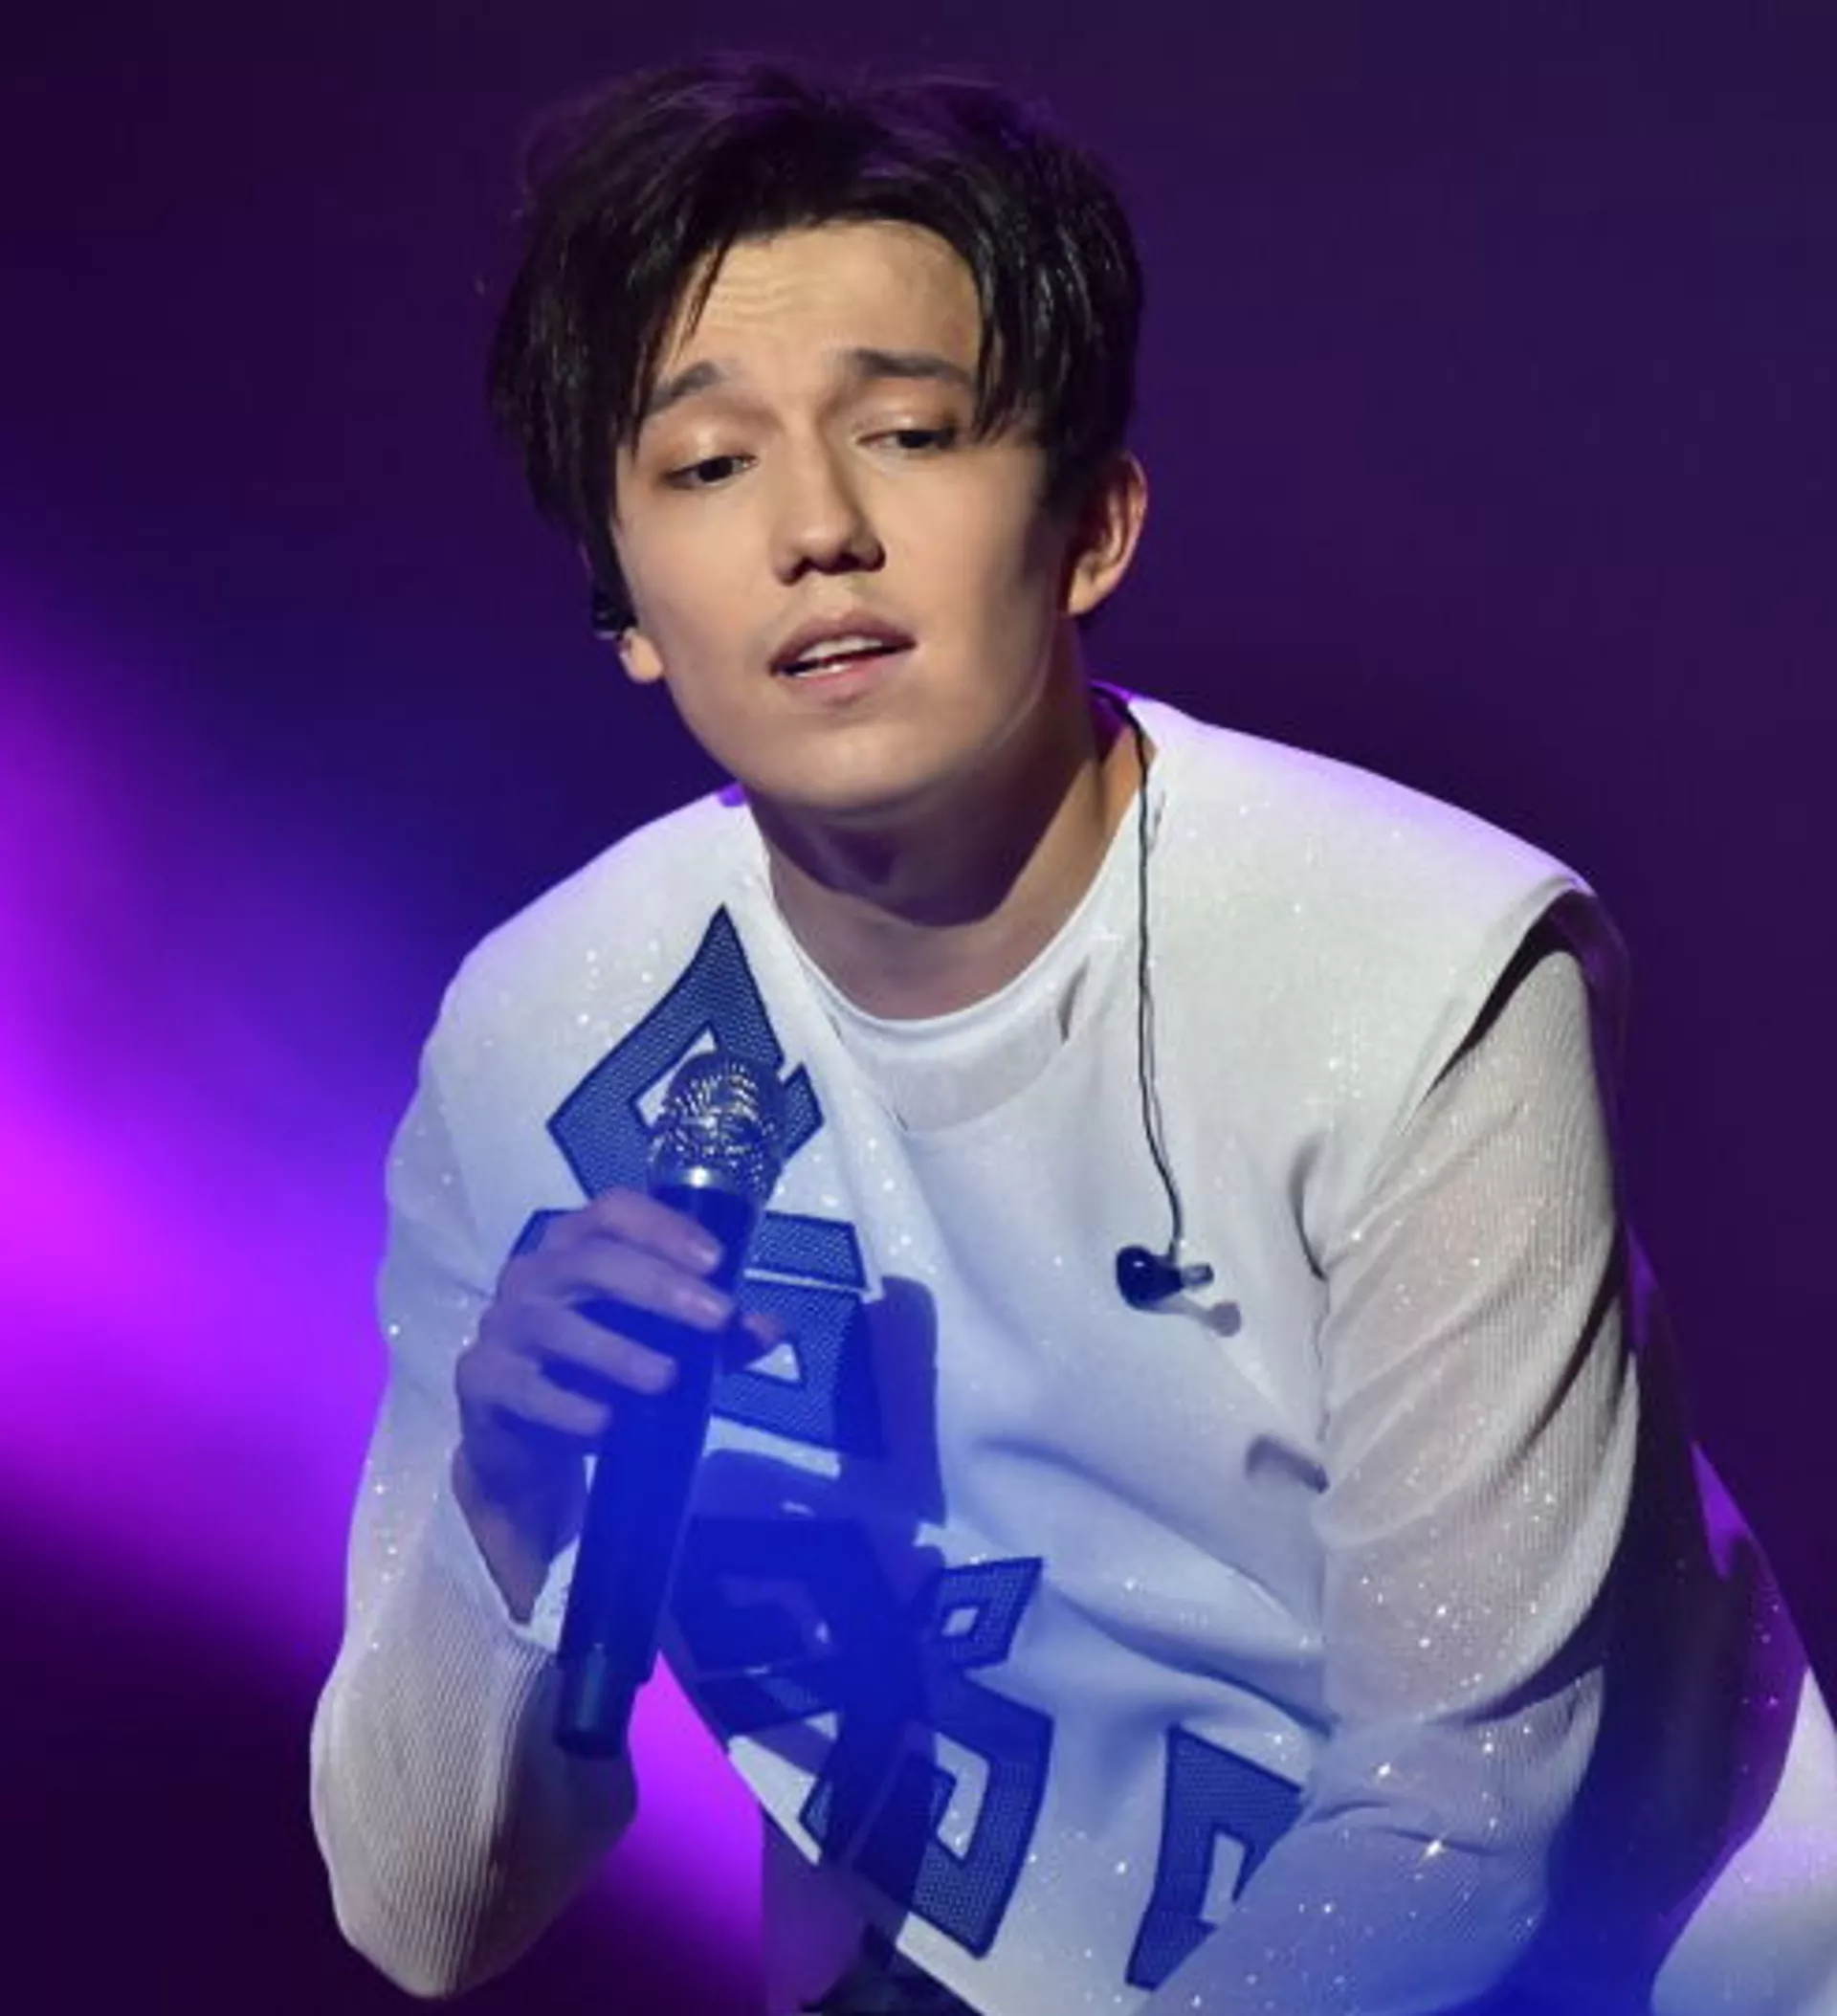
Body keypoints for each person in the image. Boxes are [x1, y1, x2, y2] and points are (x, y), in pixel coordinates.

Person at [309, 55, 1837, 2016]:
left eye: (908, 433)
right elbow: (421, 1909)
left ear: (1094, 523)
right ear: (626, 609)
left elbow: (1466, 1823)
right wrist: (505, 1496)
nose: (817, 529)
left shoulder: (1416, 972)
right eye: (705, 466)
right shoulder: (547, 1036)